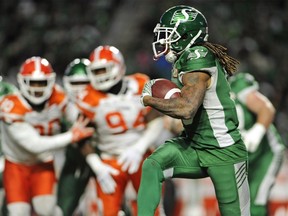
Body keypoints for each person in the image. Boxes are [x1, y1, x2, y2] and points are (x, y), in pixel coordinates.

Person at [138, 5, 250, 216]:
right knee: (152, 165)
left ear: (185, 35)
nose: (164, 41)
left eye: (169, 35)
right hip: (194, 145)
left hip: (223, 150)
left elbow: (187, 109)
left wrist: (148, 99)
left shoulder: (198, 57)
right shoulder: (185, 59)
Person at [76, 45, 165, 215]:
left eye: (104, 69)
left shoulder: (139, 84)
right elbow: (81, 137)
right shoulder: (87, 97)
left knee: (152, 209)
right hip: (109, 161)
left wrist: (139, 148)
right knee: (109, 212)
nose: (101, 75)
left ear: (118, 66)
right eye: (97, 71)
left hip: (142, 156)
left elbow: (156, 120)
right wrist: (97, 166)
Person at [0, 56, 94, 216]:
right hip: (16, 164)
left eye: (41, 83)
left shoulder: (57, 97)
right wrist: (71, 136)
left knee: (46, 209)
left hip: (43, 162)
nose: (37, 88)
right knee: (18, 212)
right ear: (22, 82)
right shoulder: (11, 107)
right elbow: (34, 145)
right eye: (33, 83)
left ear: (50, 82)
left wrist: (80, 120)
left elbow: (76, 117)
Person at [229, 72, 285, 216]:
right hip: (244, 158)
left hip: (265, 153)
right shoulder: (202, 96)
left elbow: (266, 108)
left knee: (256, 200)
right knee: (237, 203)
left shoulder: (236, 86)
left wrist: (257, 132)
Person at [57, 58, 95, 216]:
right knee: (61, 209)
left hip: (107, 159)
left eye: (84, 83)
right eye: (75, 83)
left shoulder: (104, 100)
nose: (80, 89)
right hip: (75, 162)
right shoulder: (61, 104)